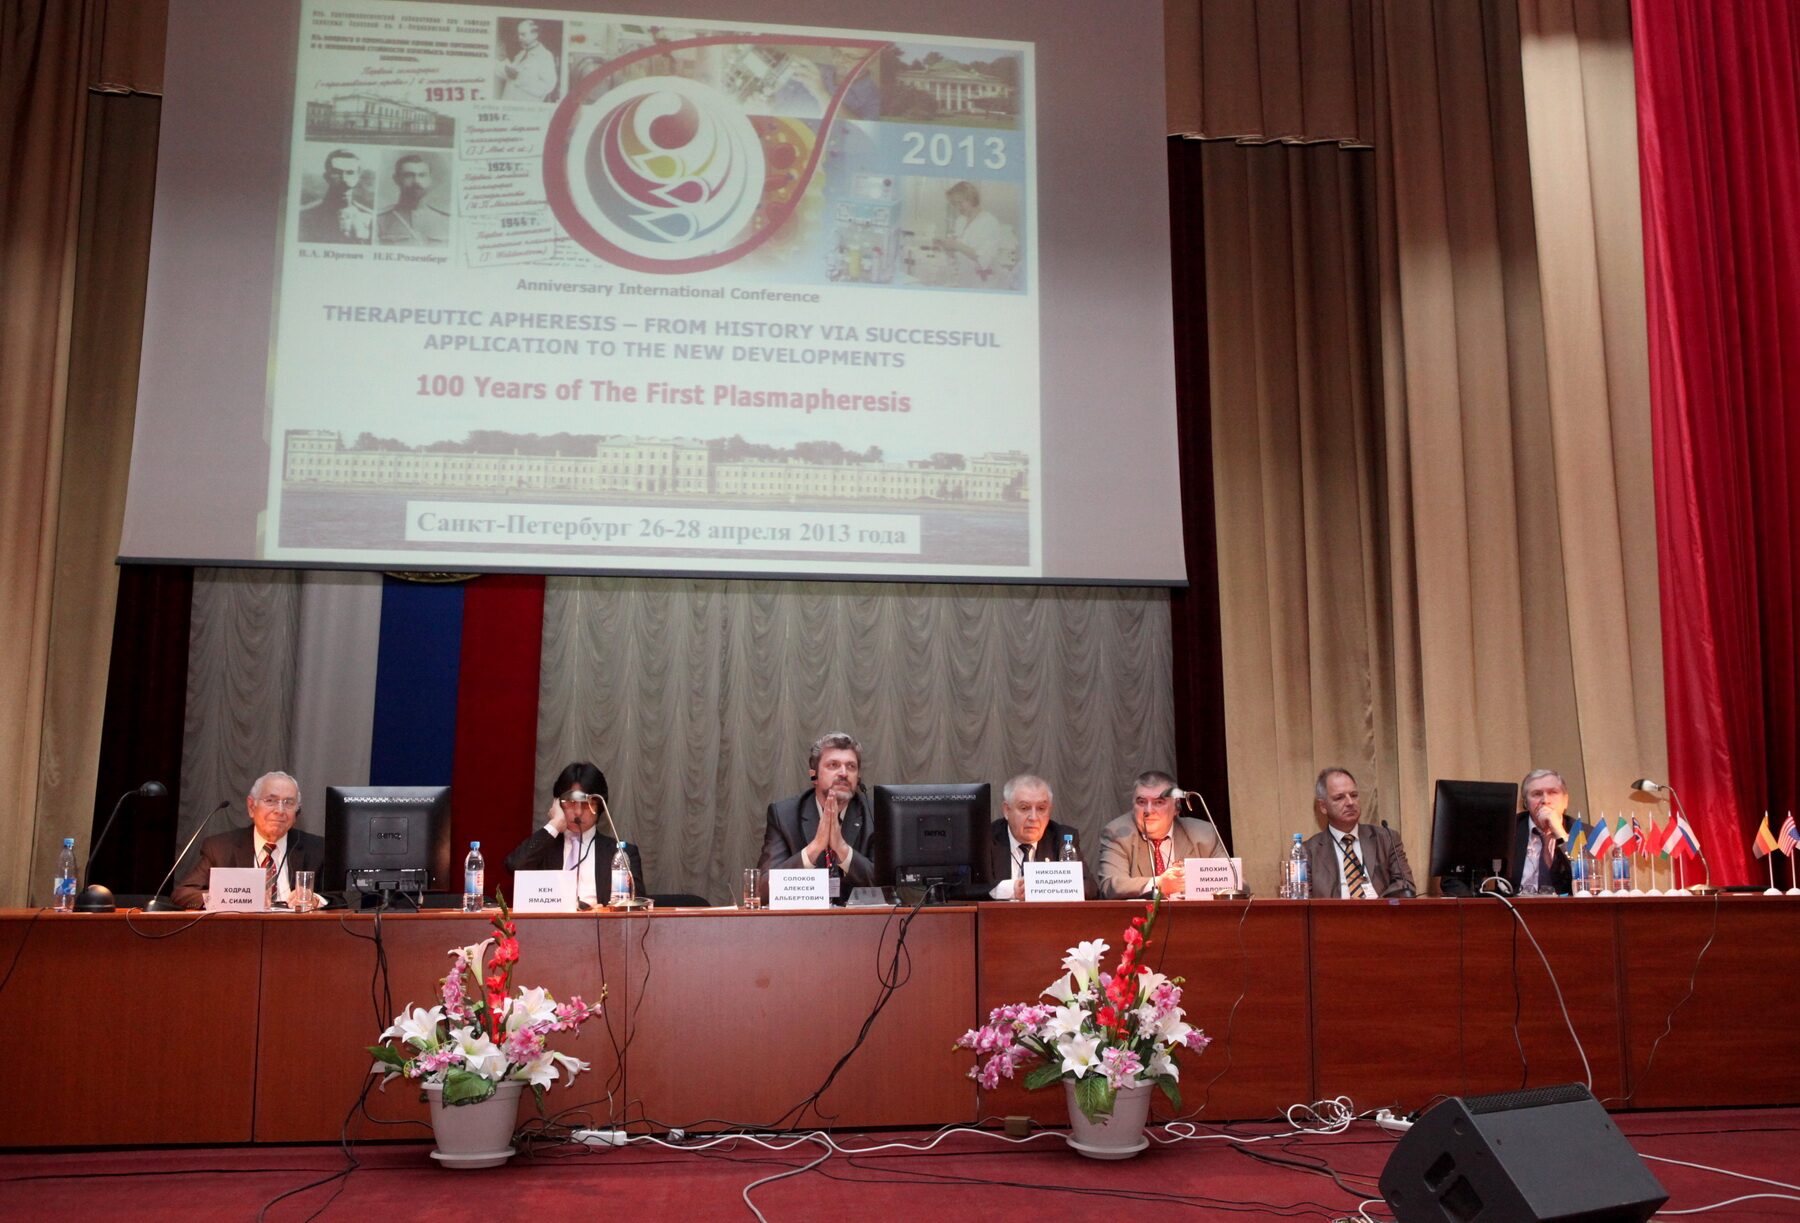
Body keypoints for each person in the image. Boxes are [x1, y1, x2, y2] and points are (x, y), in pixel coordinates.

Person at [173, 772, 328, 909]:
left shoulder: (318, 849)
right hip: (241, 929)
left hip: (297, 929)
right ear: (251, 807)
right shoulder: (220, 848)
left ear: (296, 812)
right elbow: (183, 893)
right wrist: (230, 898)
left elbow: (339, 895)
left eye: (289, 802)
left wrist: (315, 899)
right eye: (270, 800)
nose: (280, 811)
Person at [504, 762, 645, 906]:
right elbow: (514, 866)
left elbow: (637, 907)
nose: (578, 812)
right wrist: (554, 824)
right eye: (571, 802)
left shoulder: (622, 854)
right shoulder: (543, 848)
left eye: (586, 804)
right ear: (558, 804)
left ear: (600, 806)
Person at [759, 731, 874, 897]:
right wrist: (815, 848)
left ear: (858, 777)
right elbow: (764, 890)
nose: (843, 773)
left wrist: (842, 849)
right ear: (814, 775)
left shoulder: (875, 814)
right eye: (833, 765)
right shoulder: (784, 816)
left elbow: (890, 885)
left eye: (851, 766)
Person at [1096, 769, 1225, 899]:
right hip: (1142, 912)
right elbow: (1110, 886)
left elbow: (1232, 883)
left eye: (1158, 802)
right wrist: (1158, 884)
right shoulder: (1118, 833)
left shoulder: (1203, 834)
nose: (1148, 810)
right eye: (1141, 802)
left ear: (1176, 807)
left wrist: (1196, 881)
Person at [1301, 767, 1416, 898]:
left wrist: (1374, 907)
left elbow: (1405, 885)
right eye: (1339, 797)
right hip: (1335, 911)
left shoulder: (1386, 838)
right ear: (1323, 806)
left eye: (1354, 795)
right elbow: (1303, 900)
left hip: (1380, 910)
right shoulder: (1308, 852)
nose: (1350, 802)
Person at [986, 773, 1091, 900]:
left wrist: (1045, 886)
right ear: (1007, 810)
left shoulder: (1062, 838)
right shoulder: (985, 839)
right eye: (1024, 808)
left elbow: (1090, 889)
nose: (1034, 817)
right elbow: (968, 888)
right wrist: (1011, 889)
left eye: (1041, 808)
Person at [935, 181, 1015, 288]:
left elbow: (983, 258)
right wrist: (949, 249)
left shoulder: (989, 222)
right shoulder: (961, 220)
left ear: (971, 199)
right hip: (965, 278)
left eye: (960, 203)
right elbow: (961, 251)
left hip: (983, 282)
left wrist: (956, 245)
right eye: (954, 204)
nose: (957, 207)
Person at [1510, 767, 1574, 895]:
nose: (1545, 800)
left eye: (1553, 792)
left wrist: (1560, 832)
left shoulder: (1583, 832)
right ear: (1525, 804)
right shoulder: (1509, 829)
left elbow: (1586, 879)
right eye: (1537, 794)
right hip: (1515, 904)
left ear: (1565, 801)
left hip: (1564, 905)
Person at [297, 148, 372, 244]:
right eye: (337, 173)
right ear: (326, 176)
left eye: (350, 172)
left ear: (358, 177)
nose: (344, 179)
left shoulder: (369, 217)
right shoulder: (305, 215)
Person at [377, 154, 450, 245]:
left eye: (422, 175)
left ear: (430, 179)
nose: (416, 181)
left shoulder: (446, 221)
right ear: (396, 179)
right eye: (408, 176)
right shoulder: (380, 220)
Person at [499, 19, 558, 102]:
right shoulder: (520, 54)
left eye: (523, 34)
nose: (519, 38)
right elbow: (511, 76)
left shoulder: (545, 56)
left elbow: (547, 87)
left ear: (535, 35)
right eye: (518, 34)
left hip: (525, 107)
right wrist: (503, 59)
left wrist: (519, 77)